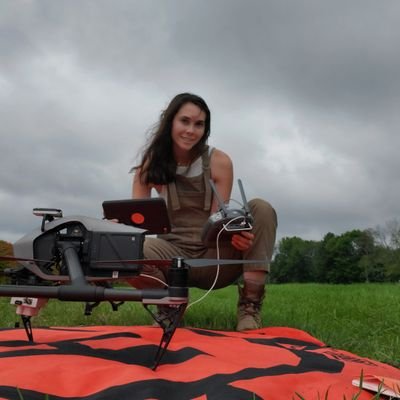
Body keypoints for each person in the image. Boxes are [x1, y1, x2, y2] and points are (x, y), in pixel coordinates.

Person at [128, 92, 277, 331]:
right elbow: (137, 224)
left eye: (199, 124)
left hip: (213, 256)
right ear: (170, 122)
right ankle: (169, 306)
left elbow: (218, 223)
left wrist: (236, 237)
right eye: (184, 121)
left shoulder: (219, 161)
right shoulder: (149, 165)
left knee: (261, 208)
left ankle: (250, 307)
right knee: (129, 246)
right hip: (173, 257)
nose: (191, 130)